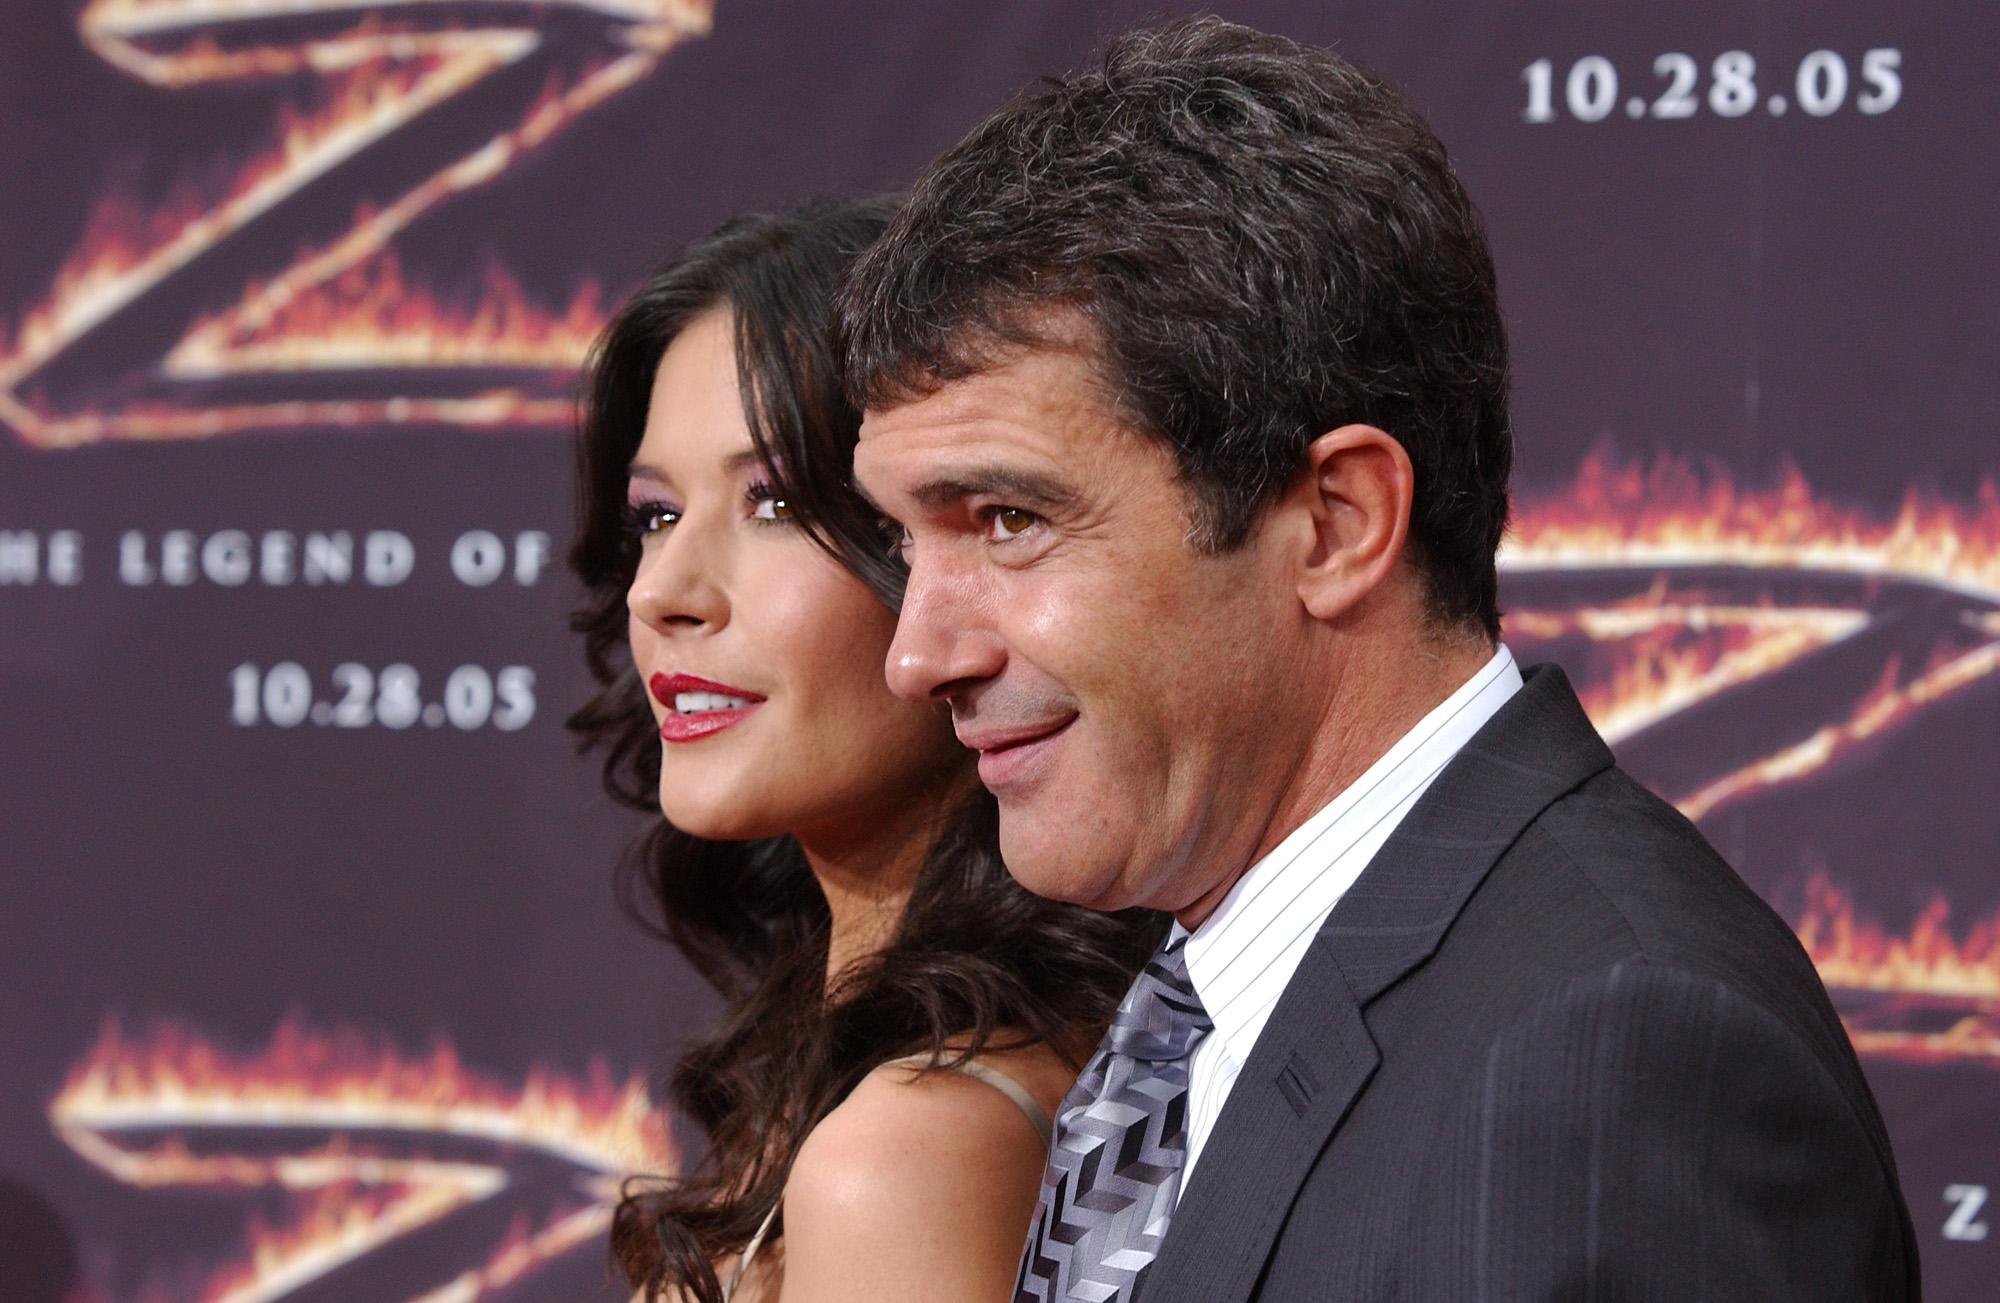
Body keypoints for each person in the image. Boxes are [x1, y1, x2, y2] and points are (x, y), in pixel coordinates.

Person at [842, 18, 1919, 1302]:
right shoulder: (1189, 1010)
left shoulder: (1610, 1055)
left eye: (1009, 521)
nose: (916, 654)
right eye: (906, 541)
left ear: (1338, 524)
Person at [568, 199, 1162, 1303]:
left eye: (774, 502)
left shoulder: (911, 1150)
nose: (663, 593)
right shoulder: (856, 1072)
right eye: (654, 515)